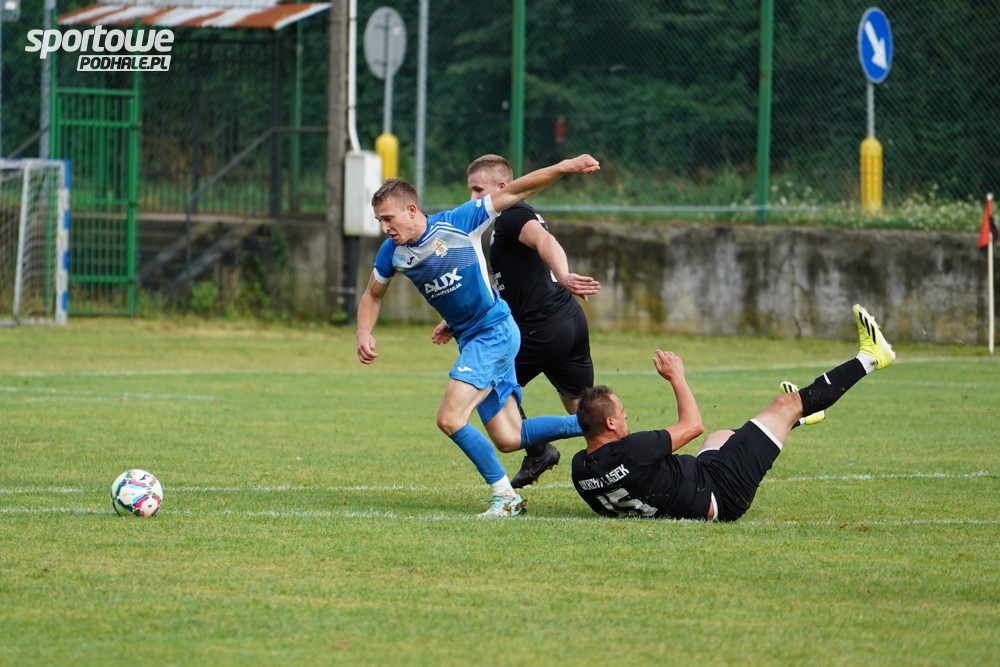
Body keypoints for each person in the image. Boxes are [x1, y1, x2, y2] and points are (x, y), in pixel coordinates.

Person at [356, 154, 601, 518]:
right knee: (509, 437)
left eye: (388, 219)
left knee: (450, 418)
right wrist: (364, 332)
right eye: (379, 221)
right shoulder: (392, 252)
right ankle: (594, 422)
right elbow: (372, 295)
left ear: (411, 210)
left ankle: (506, 498)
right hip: (473, 339)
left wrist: (565, 166)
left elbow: (518, 190)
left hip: (494, 332)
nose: (384, 228)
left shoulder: (458, 222)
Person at [571, 304, 896, 521]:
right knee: (786, 403)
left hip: (702, 478)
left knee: (722, 436)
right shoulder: (633, 450)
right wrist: (677, 377)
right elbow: (692, 425)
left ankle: (794, 420)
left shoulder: (581, 470)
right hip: (723, 491)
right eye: (623, 412)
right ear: (609, 422)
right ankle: (871, 358)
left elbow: (611, 502)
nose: (627, 417)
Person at [431, 154, 601, 489]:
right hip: (568, 323)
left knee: (486, 382)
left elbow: (544, 241)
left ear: (502, 187)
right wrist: (457, 319)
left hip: (540, 330)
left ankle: (538, 450)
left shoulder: (512, 214)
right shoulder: (502, 224)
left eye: (478, 190)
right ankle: (622, 459)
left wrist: (563, 274)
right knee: (585, 411)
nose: (472, 198)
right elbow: (510, 283)